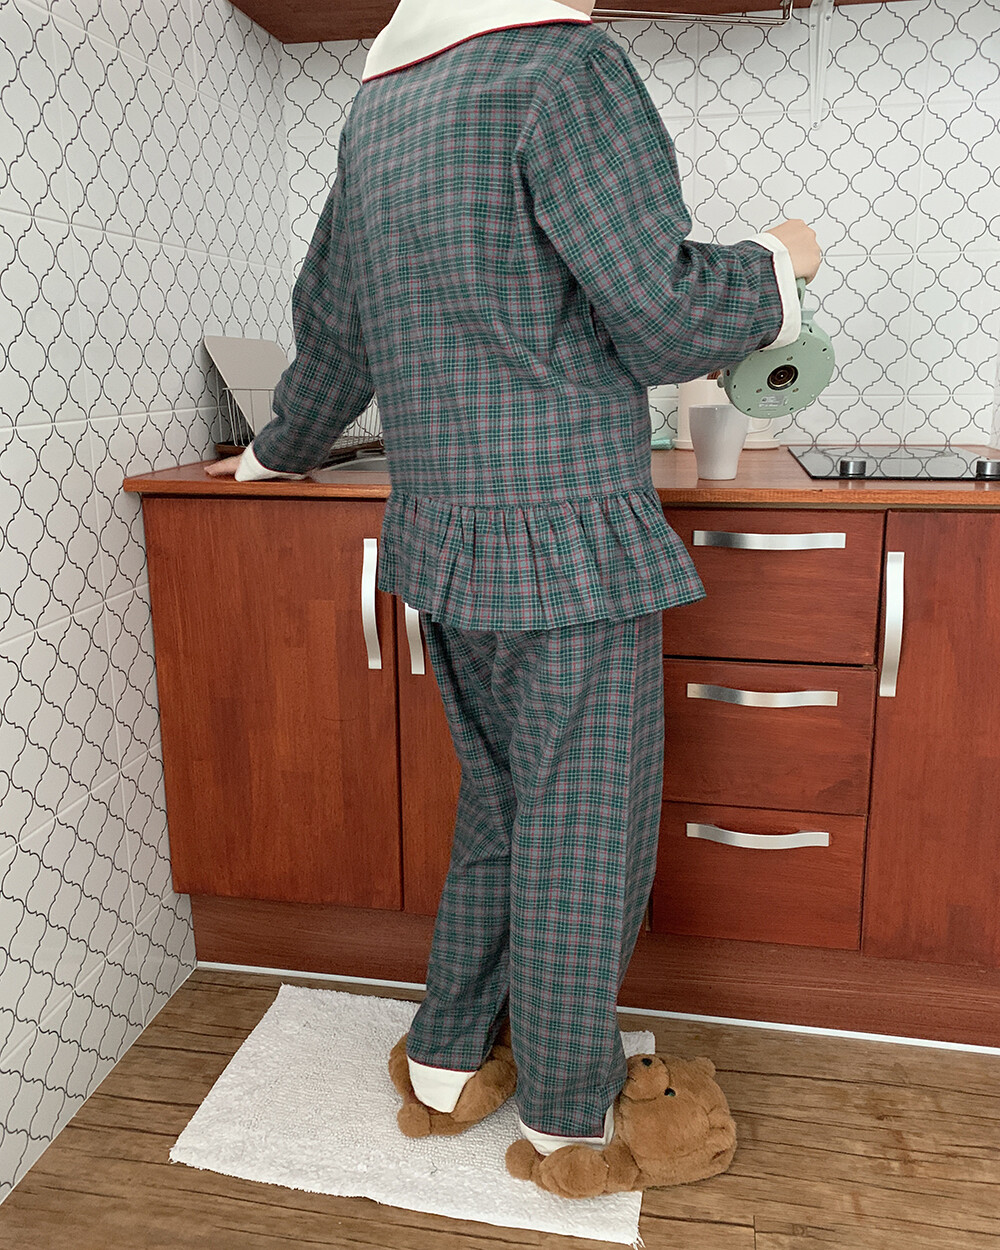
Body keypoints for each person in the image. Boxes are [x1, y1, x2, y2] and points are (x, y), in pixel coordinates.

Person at [207, 0, 821, 1172]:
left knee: (500, 806)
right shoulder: (565, 67)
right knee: (585, 831)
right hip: (567, 536)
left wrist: (278, 448)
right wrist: (775, 263)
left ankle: (447, 1058)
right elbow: (661, 317)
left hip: (442, 539)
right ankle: (571, 1112)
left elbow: (334, 327)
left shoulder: (379, 109)